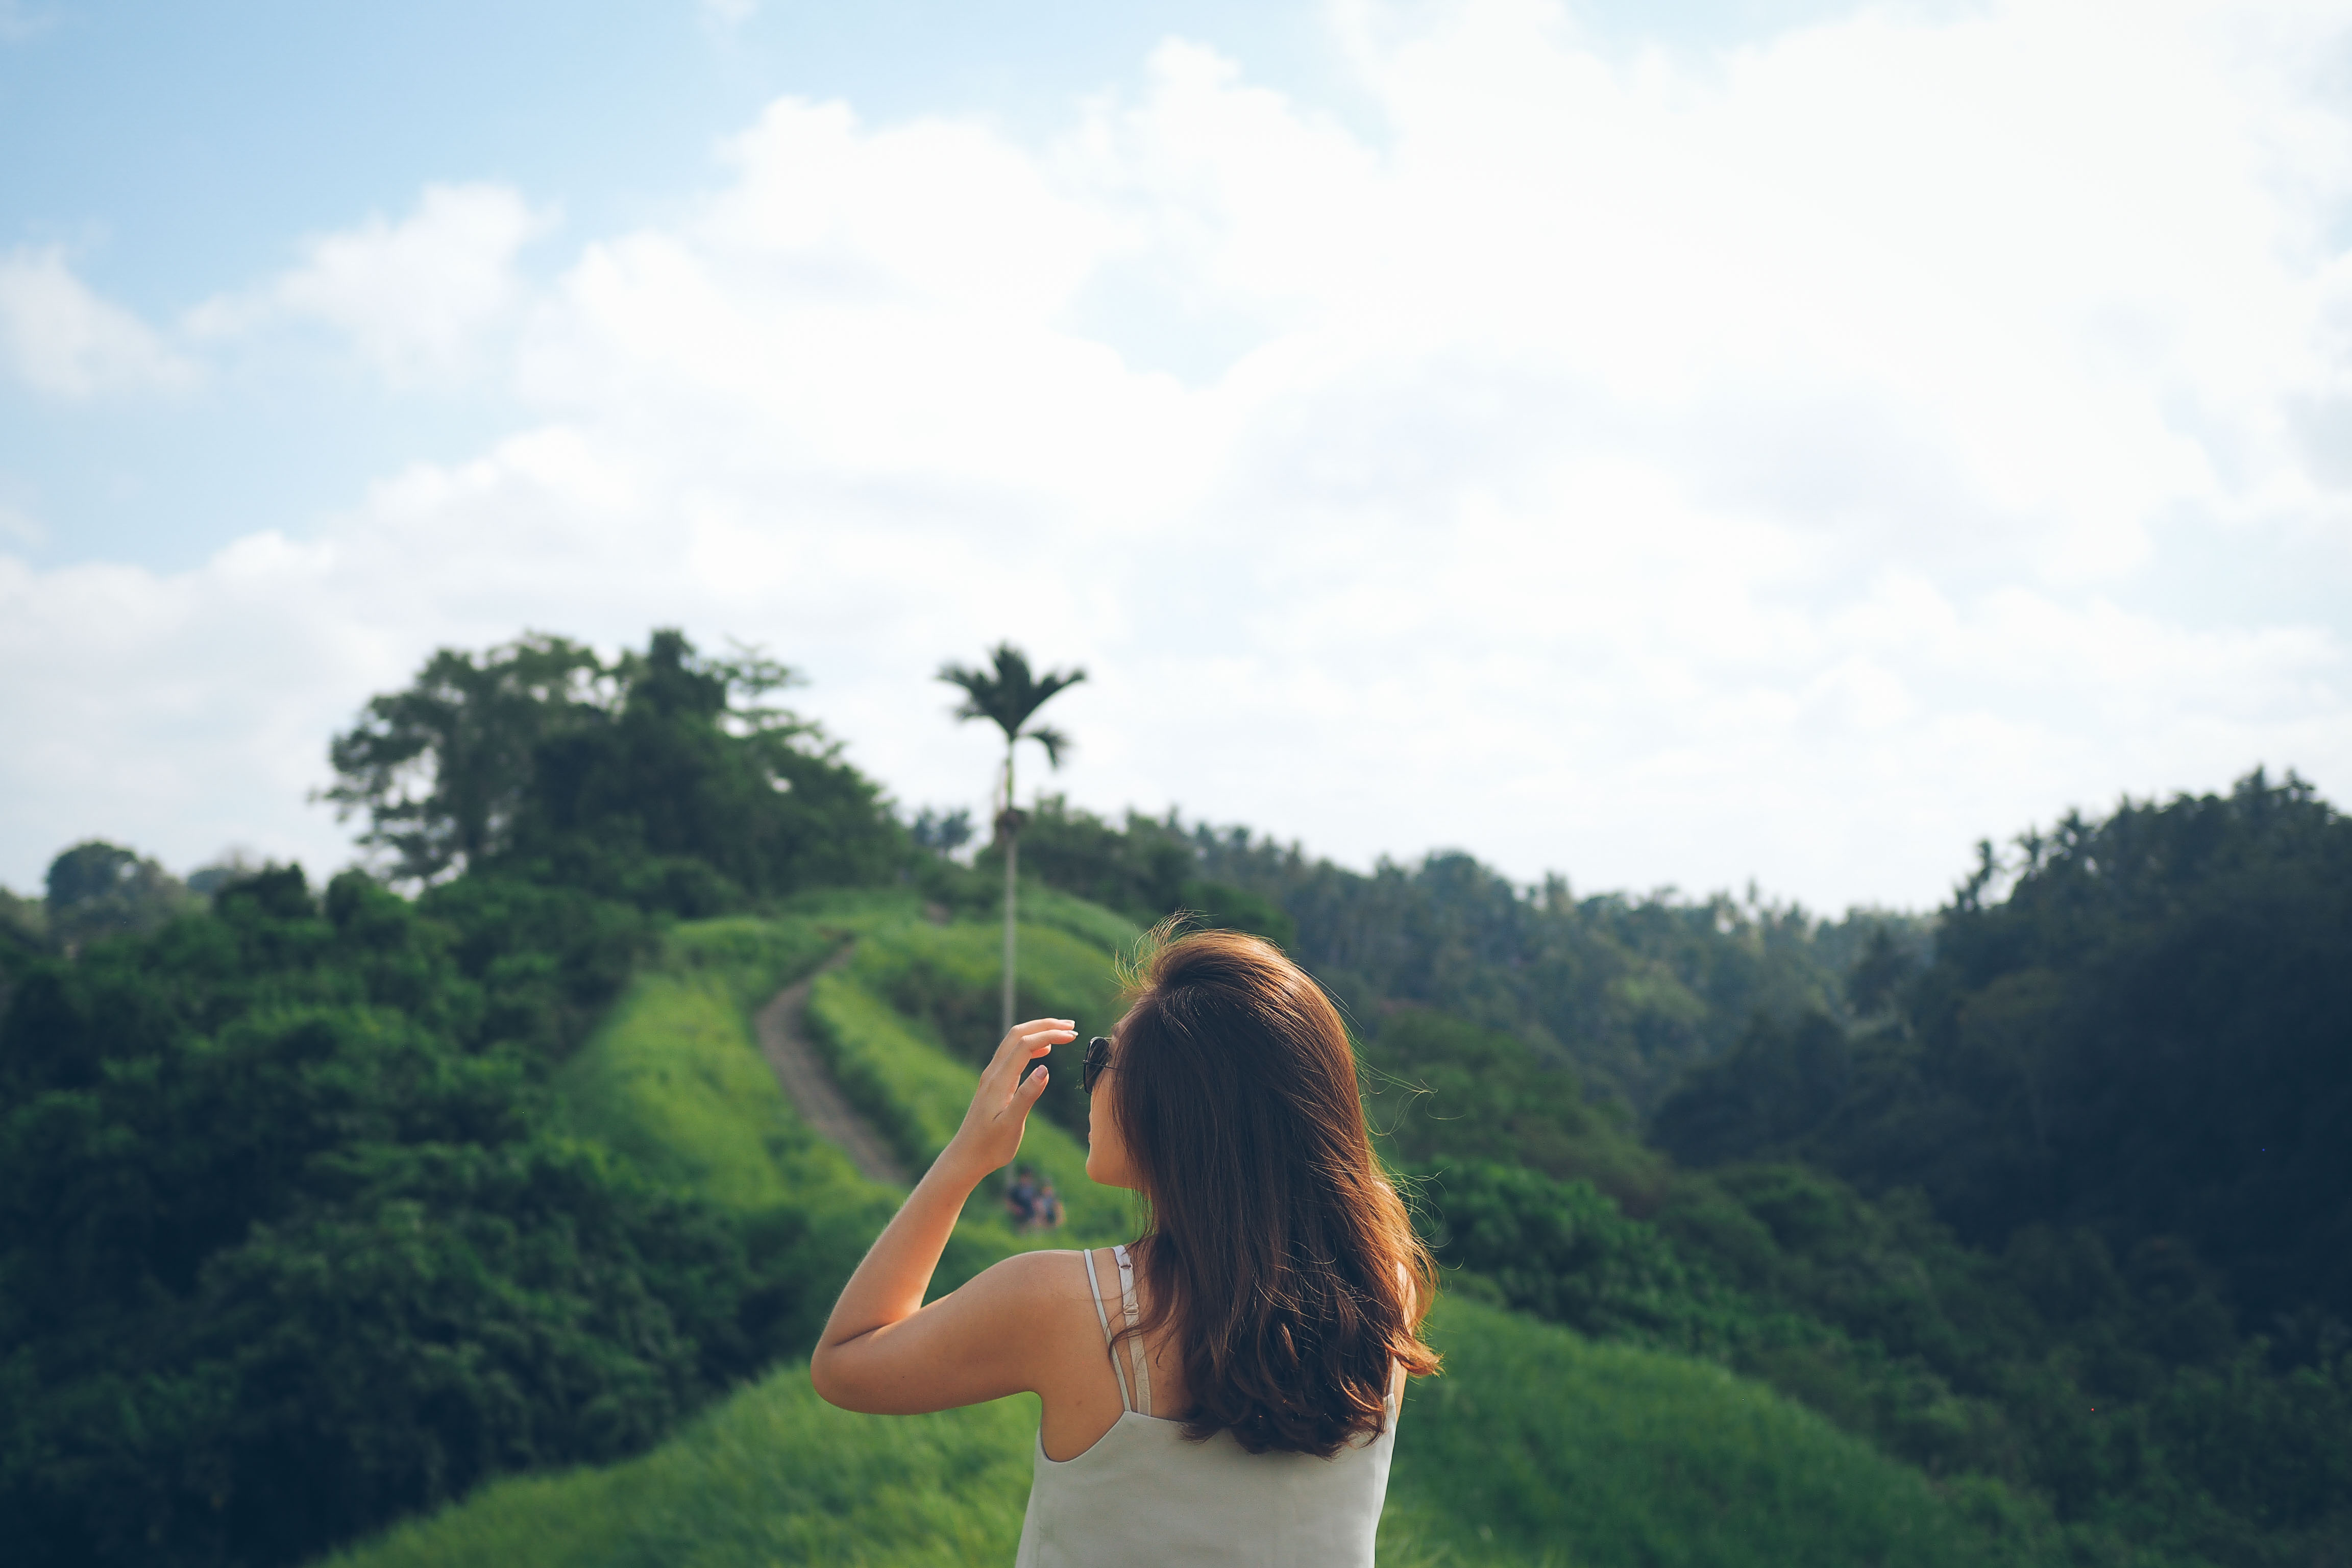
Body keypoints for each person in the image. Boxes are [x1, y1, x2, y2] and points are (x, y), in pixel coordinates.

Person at [811, 928, 1440, 1565]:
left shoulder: (1065, 1306)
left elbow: (845, 1363)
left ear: (1171, 1105)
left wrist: (964, 1159)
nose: (1091, 1085)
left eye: (1099, 1061)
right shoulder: (1386, 1293)